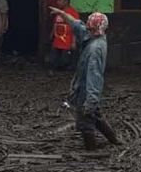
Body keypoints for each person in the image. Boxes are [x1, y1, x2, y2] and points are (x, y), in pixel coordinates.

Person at [49, 8, 121, 150]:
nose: (86, 26)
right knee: (95, 115)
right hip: (84, 88)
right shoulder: (93, 36)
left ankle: (91, 150)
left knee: (85, 121)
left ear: (93, 27)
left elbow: (94, 77)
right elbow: (77, 24)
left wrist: (91, 100)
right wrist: (62, 14)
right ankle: (115, 140)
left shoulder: (95, 49)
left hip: (86, 91)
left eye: (89, 24)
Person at [48, 0, 80, 72]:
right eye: (58, 0)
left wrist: (73, 42)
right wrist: (52, 34)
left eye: (60, 0)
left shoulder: (72, 12)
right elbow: (56, 23)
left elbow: (75, 28)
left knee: (65, 60)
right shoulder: (58, 11)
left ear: (66, 1)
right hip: (57, 39)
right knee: (53, 57)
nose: (57, 2)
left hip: (67, 40)